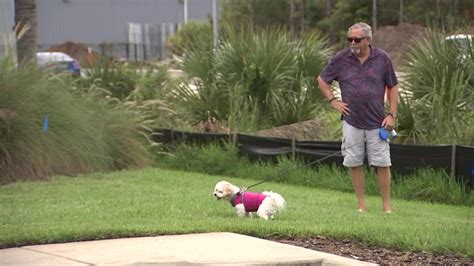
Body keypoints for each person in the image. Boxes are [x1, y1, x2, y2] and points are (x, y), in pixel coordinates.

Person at [316, 22, 398, 213]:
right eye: (349, 39)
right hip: (351, 120)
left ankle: (386, 207)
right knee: (354, 162)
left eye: (357, 39)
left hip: (378, 121)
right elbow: (322, 80)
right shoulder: (341, 59)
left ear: (368, 40)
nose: (353, 43)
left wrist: (392, 114)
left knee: (382, 163)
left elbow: (393, 86)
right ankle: (362, 205)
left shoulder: (382, 58)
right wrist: (333, 101)